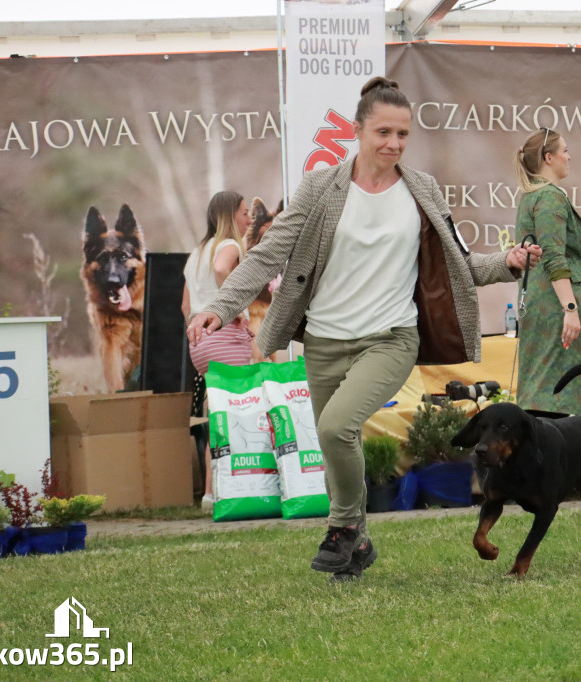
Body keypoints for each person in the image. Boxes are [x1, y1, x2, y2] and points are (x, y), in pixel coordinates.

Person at [187, 76, 541, 582]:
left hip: (391, 337)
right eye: (383, 132)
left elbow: (457, 263)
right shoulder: (321, 188)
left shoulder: (422, 190)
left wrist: (506, 261)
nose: (393, 144)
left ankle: (342, 528)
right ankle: (358, 543)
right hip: (325, 341)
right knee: (339, 444)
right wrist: (221, 307)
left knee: (334, 427)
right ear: (357, 130)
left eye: (402, 135)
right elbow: (268, 253)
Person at [512, 127, 581, 417]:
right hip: (560, 305)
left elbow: (554, 242)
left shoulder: (534, 196)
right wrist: (570, 309)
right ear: (549, 157)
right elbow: (553, 256)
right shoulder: (549, 198)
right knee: (558, 394)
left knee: (546, 387)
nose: (569, 156)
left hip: (547, 302)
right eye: (565, 150)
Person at [181, 190, 255, 510]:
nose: (249, 218)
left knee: (218, 414)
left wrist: (199, 332)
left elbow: (186, 305)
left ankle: (212, 493)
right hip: (224, 335)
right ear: (229, 216)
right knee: (235, 413)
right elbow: (224, 270)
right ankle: (224, 489)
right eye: (244, 212)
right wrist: (234, 308)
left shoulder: (197, 252)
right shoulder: (229, 246)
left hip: (201, 342)